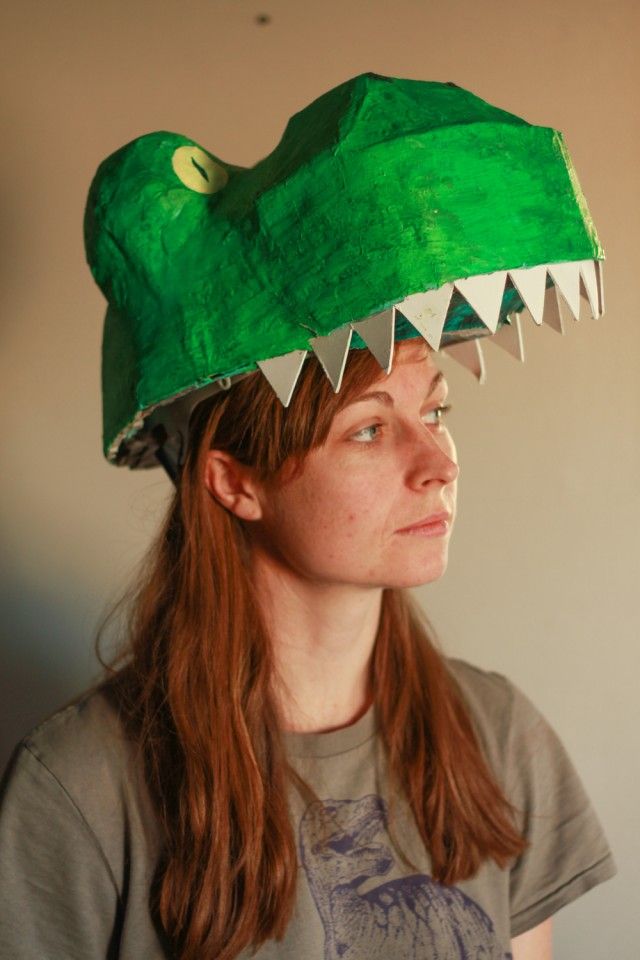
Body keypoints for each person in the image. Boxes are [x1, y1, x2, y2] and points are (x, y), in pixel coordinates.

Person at [0, 74, 616, 960]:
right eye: (370, 429)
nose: (438, 464)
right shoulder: (79, 790)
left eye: (434, 413)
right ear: (233, 481)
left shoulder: (498, 737)